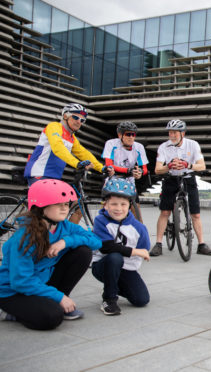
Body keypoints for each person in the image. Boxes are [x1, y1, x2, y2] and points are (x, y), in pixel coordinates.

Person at [0, 180, 101, 330]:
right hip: (13, 291)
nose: (64, 208)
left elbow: (96, 241)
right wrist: (58, 297)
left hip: (40, 282)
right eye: (58, 203)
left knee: (83, 251)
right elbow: (21, 281)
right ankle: (10, 311)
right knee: (51, 317)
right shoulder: (23, 237)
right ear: (41, 207)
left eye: (66, 204)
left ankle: (57, 302)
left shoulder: (64, 226)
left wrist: (65, 242)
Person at [150, 119, 211, 257]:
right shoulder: (163, 147)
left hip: (188, 179)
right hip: (171, 179)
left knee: (196, 214)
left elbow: (202, 166)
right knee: (165, 212)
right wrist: (169, 166)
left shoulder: (193, 145)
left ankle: (201, 244)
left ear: (182, 133)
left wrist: (187, 165)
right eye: (170, 132)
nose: (172, 135)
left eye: (175, 132)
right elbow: (157, 169)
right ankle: (158, 244)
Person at [92, 178, 150, 316]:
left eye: (123, 204)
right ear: (105, 205)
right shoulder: (100, 220)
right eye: (114, 204)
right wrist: (134, 251)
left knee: (141, 300)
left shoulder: (139, 228)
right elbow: (106, 247)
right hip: (104, 265)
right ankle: (109, 299)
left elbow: (144, 249)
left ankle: (111, 285)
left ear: (130, 205)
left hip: (126, 268)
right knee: (115, 257)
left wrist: (140, 253)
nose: (118, 208)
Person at [24, 103, 113, 186]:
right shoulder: (54, 126)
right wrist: (77, 163)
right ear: (65, 116)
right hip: (39, 173)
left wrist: (101, 168)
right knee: (52, 202)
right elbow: (57, 147)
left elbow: (84, 154)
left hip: (55, 176)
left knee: (71, 200)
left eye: (82, 120)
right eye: (75, 117)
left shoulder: (71, 137)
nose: (79, 122)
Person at [102, 121, 149, 222]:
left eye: (133, 134)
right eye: (128, 134)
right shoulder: (111, 143)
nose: (131, 137)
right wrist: (127, 170)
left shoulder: (139, 147)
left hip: (129, 180)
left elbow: (144, 168)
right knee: (107, 207)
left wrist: (139, 172)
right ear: (120, 135)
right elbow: (109, 164)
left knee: (136, 209)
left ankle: (140, 233)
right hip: (113, 177)